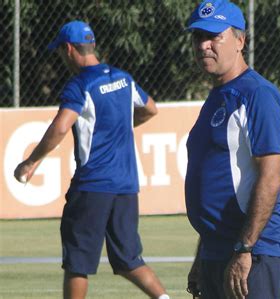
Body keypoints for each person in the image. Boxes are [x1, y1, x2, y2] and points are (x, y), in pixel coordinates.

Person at [13, 20, 170, 299]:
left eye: (61, 52)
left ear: (69, 49)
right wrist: (119, 125)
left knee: (77, 263)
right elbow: (151, 109)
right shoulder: (123, 78)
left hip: (93, 186)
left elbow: (61, 126)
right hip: (126, 185)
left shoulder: (80, 84)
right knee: (128, 260)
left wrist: (31, 162)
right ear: (92, 46)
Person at [183, 1, 280, 298]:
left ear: (240, 40)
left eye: (214, 36)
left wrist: (245, 249)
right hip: (216, 252)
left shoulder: (258, 95)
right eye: (198, 37)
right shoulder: (217, 97)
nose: (204, 45)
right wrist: (200, 258)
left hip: (253, 252)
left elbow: (270, 178)